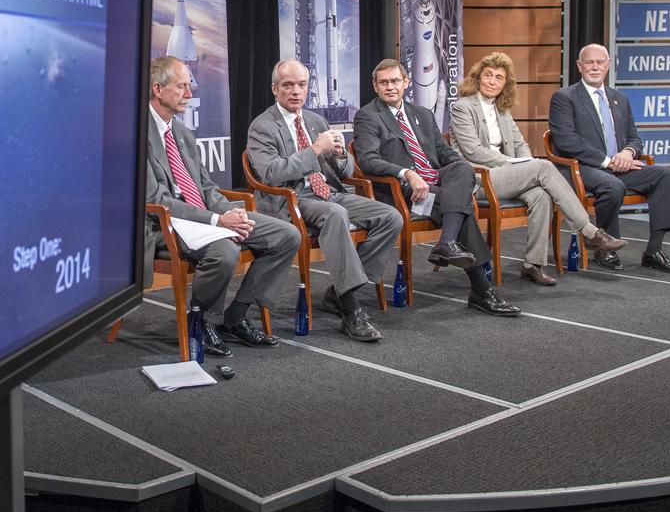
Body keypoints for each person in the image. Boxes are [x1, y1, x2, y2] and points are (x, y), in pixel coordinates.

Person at [146, 56, 301, 356]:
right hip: (162, 225)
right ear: (157, 89)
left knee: (287, 235)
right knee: (225, 250)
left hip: (202, 218)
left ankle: (236, 316)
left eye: (189, 86)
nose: (189, 94)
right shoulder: (136, 135)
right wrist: (217, 221)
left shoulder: (182, 133)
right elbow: (157, 201)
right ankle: (201, 320)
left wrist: (230, 212)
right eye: (182, 87)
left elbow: (206, 188)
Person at [246, 59, 402, 342]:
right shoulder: (263, 126)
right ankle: (351, 308)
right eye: (288, 85)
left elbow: (346, 171)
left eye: (302, 85)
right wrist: (315, 150)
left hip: (327, 192)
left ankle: (340, 291)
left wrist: (340, 155)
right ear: (275, 89)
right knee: (335, 214)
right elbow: (271, 174)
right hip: (291, 199)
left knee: (390, 216)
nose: (296, 91)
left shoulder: (316, 121)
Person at [352, 58, 519, 316]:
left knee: (462, 169)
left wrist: (461, 167)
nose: (390, 87)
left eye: (395, 81)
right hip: (404, 193)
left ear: (406, 82)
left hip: (434, 182)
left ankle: (448, 243)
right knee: (461, 207)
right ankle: (481, 289)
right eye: (383, 82)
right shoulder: (368, 116)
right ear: (375, 86)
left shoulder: (422, 114)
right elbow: (367, 160)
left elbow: (443, 152)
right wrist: (407, 173)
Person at [449, 52, 629, 286]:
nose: (492, 81)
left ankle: (532, 265)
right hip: (478, 178)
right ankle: (589, 232)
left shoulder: (502, 110)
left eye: (499, 77)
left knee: (541, 195)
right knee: (542, 167)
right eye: (488, 75)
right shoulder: (462, 107)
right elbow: (473, 151)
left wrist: (524, 162)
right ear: (478, 77)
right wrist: (515, 164)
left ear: (505, 83)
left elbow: (520, 144)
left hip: (507, 176)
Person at [547, 44, 670, 273]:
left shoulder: (620, 98)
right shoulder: (564, 98)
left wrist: (628, 152)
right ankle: (605, 248)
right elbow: (567, 141)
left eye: (600, 62)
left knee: (666, 176)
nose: (595, 67)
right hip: (582, 168)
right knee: (613, 185)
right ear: (579, 66)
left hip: (618, 167)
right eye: (589, 62)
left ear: (608, 65)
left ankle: (654, 250)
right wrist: (608, 161)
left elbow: (634, 138)